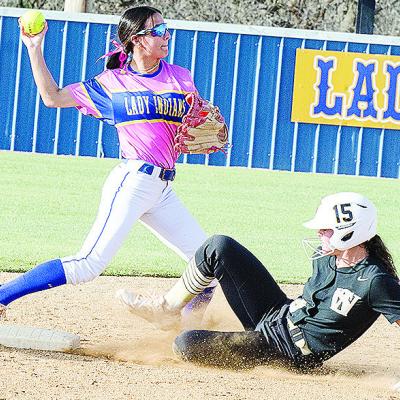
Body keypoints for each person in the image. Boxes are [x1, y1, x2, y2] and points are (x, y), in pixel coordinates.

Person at [0, 6, 218, 321]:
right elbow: (53, 97)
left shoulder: (181, 77)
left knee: (206, 266)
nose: (165, 34)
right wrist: (35, 48)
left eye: (165, 27)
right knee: (88, 264)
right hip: (133, 181)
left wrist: (200, 129)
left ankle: (179, 326)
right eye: (157, 30)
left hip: (162, 188)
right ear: (136, 40)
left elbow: (193, 124)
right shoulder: (113, 83)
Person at [118, 192, 400, 369]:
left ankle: (191, 332)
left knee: (187, 344)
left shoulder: (375, 281)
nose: (319, 234)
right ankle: (166, 310)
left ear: (349, 232)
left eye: (325, 230)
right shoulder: (325, 256)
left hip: (286, 352)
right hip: (277, 314)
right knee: (219, 246)